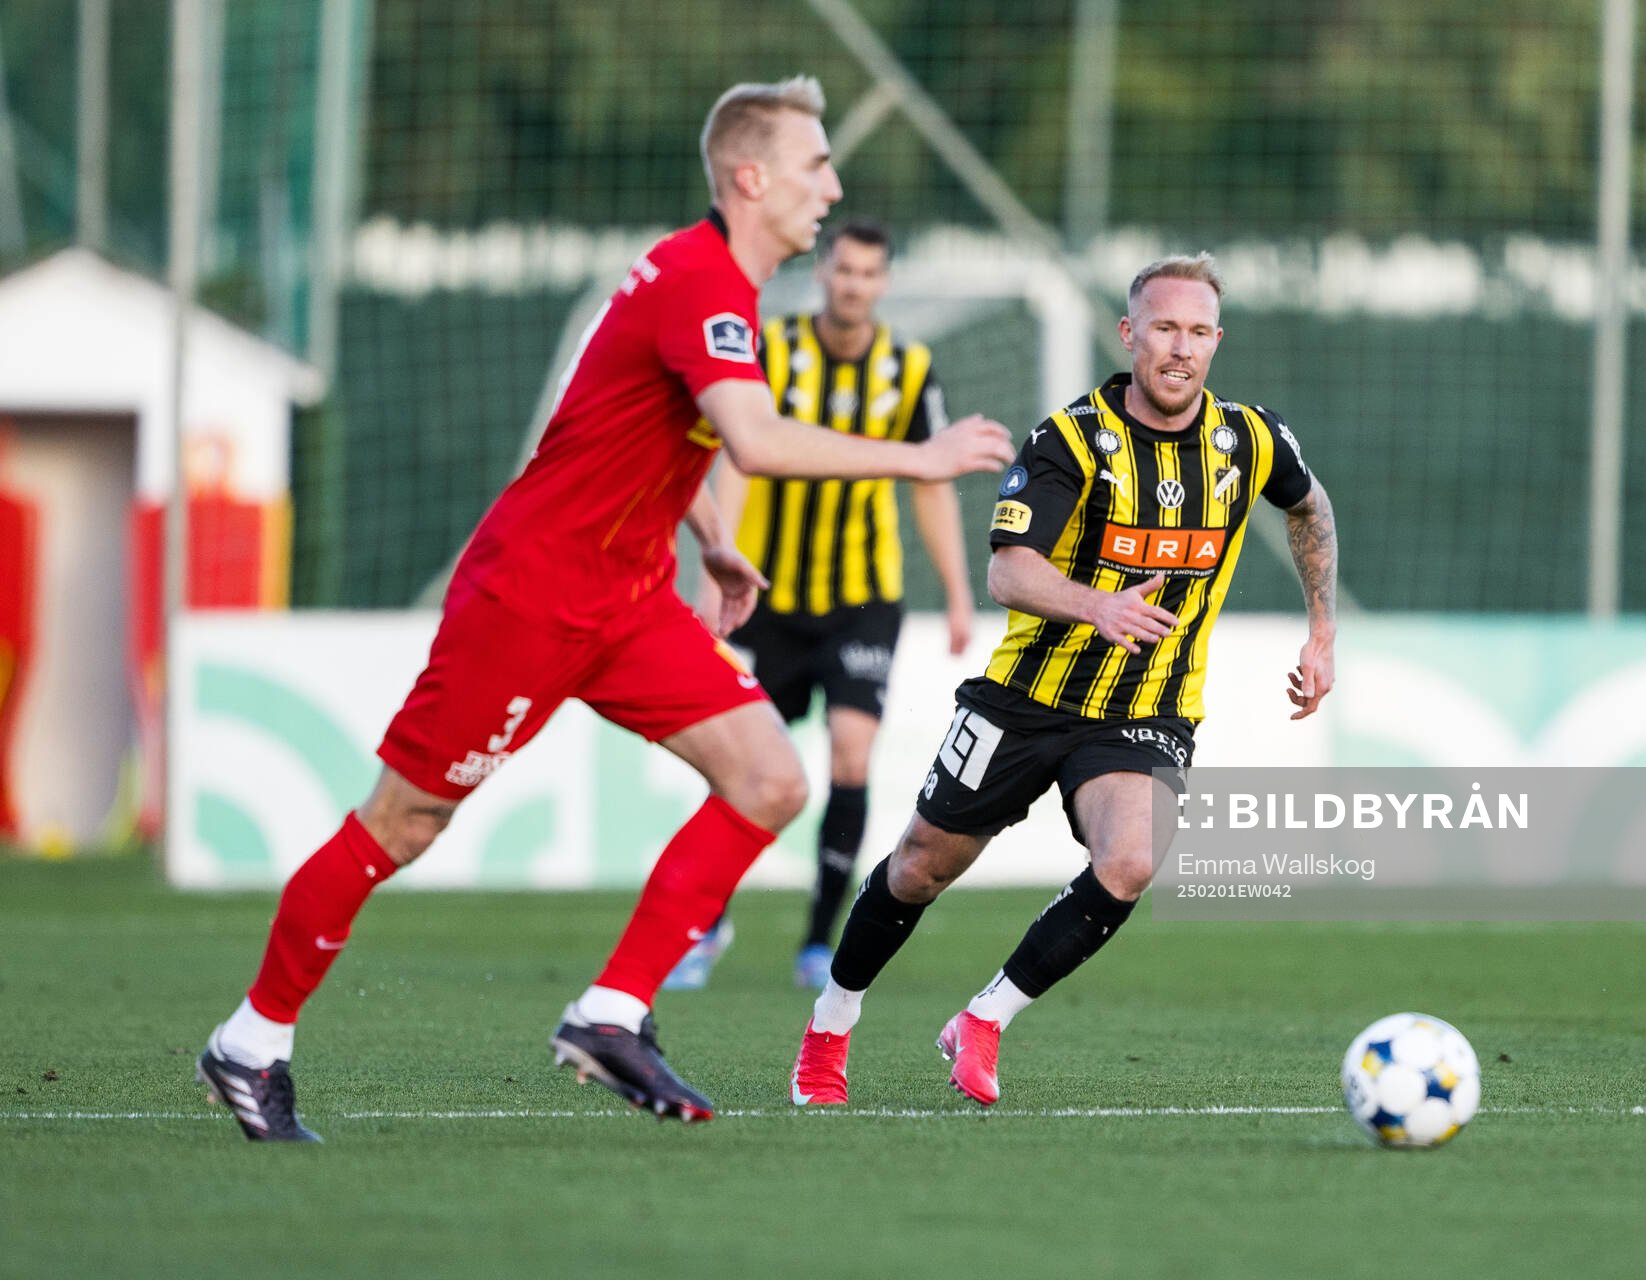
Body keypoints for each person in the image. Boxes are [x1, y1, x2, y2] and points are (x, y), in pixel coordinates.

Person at [193, 76, 1014, 1140]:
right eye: (817, 164)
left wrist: (713, 540)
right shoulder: (701, 282)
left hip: (627, 600)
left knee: (768, 776)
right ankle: (251, 1037)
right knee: (404, 820)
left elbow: (646, 429)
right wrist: (924, 457)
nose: (834, 184)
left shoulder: (725, 293)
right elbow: (758, 441)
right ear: (751, 177)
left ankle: (612, 1009)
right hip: (531, 598)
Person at [787, 253, 1338, 1108]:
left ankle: (985, 1018)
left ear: (1217, 342)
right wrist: (1098, 607)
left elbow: (1309, 507)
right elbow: (1010, 571)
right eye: (1163, 328)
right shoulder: (1070, 439)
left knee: (1131, 860)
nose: (1180, 349)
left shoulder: (1249, 438)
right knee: (917, 870)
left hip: (1146, 710)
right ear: (1129, 334)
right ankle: (831, 1022)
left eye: (1198, 332)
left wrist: (1322, 632)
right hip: (1025, 700)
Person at [668, 217, 973, 993]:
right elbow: (734, 454)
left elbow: (931, 483)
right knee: (743, 766)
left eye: (868, 274)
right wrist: (716, 562)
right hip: (768, 597)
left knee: (849, 754)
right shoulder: (773, 350)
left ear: (883, 283)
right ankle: (707, 926)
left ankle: (816, 942)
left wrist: (961, 590)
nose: (853, 285)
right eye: (842, 270)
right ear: (824, 273)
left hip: (862, 601)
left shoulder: (910, 368)